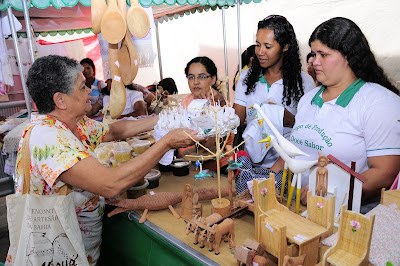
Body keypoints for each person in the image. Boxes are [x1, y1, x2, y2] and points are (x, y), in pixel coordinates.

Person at [10, 55, 200, 264]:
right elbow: (111, 185)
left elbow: (113, 131)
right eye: (82, 87)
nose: (89, 93)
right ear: (60, 100)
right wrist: (166, 143)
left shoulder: (72, 124)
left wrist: (164, 120)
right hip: (58, 254)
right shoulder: (48, 137)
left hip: (80, 250)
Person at [289, 17, 400, 212]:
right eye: (313, 54)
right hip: (298, 206)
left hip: (350, 216)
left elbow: (385, 173)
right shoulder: (309, 99)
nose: (314, 61)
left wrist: (332, 194)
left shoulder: (379, 103)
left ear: (348, 56)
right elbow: (296, 152)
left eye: (323, 54)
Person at [232, 15, 315, 194]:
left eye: (268, 46)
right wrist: (220, 118)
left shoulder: (303, 82)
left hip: (285, 166)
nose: (260, 52)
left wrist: (287, 118)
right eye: (258, 44)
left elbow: (309, 130)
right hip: (250, 160)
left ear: (285, 47)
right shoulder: (247, 78)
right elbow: (236, 120)